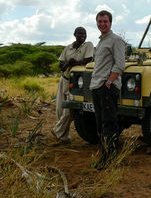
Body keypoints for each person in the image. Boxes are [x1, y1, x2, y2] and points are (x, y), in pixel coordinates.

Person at [90, 10, 125, 170]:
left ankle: (111, 159)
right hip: (97, 86)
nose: (102, 24)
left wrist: (109, 82)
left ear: (110, 23)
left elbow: (120, 65)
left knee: (109, 124)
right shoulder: (101, 41)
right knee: (99, 124)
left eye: (105, 21)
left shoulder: (116, 40)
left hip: (107, 87)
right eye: (99, 21)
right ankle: (106, 156)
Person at [52, 27, 94, 144]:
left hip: (77, 82)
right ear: (74, 34)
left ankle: (58, 130)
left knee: (70, 108)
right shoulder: (68, 48)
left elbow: (88, 60)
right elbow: (61, 66)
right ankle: (64, 137)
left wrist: (73, 63)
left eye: (84, 33)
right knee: (60, 108)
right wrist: (67, 64)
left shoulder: (88, 45)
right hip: (64, 80)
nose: (82, 35)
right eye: (80, 33)